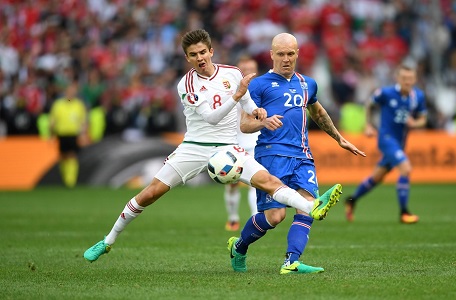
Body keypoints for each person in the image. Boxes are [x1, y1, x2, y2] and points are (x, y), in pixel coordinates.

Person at [83, 29, 341, 263]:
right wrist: (237, 95)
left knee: (269, 181)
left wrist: (260, 113)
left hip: (228, 148)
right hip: (194, 147)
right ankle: (108, 241)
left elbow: (248, 106)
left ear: (211, 51)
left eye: (203, 52)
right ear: (187, 58)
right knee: (150, 193)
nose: (200, 58)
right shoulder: (186, 84)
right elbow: (212, 117)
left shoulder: (231, 73)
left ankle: (310, 206)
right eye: (193, 55)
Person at [227, 33, 366, 275]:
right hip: (271, 156)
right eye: (280, 54)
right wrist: (264, 122)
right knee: (275, 216)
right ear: (271, 55)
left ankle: (291, 262)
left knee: (308, 206)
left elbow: (319, 113)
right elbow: (244, 125)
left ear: (297, 54)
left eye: (290, 54)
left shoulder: (307, 84)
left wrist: (340, 139)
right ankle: (238, 247)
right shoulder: (259, 85)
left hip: (303, 156)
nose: (286, 59)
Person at [344, 63, 427, 224]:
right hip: (386, 139)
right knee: (405, 168)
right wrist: (367, 125)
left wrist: (414, 123)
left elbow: (423, 119)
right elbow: (369, 103)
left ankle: (352, 200)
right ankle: (404, 212)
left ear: (415, 79)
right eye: (404, 78)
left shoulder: (418, 97)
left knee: (377, 177)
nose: (407, 81)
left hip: (400, 143)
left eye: (410, 78)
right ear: (397, 78)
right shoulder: (387, 93)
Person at [224, 55, 260, 231]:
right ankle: (233, 217)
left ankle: (255, 219)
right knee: (232, 184)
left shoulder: (260, 91)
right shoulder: (230, 92)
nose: (247, 73)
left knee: (255, 182)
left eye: (250, 70)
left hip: (254, 142)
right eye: (243, 70)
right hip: (233, 144)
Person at [49, 82, 88, 188]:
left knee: (72, 155)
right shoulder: (58, 104)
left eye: (73, 92)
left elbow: (83, 120)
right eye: (69, 91)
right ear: (65, 92)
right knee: (63, 156)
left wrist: (83, 133)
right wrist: (51, 133)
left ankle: (70, 181)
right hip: (61, 133)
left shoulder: (78, 105)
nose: (71, 93)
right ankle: (65, 178)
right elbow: (53, 120)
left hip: (73, 133)